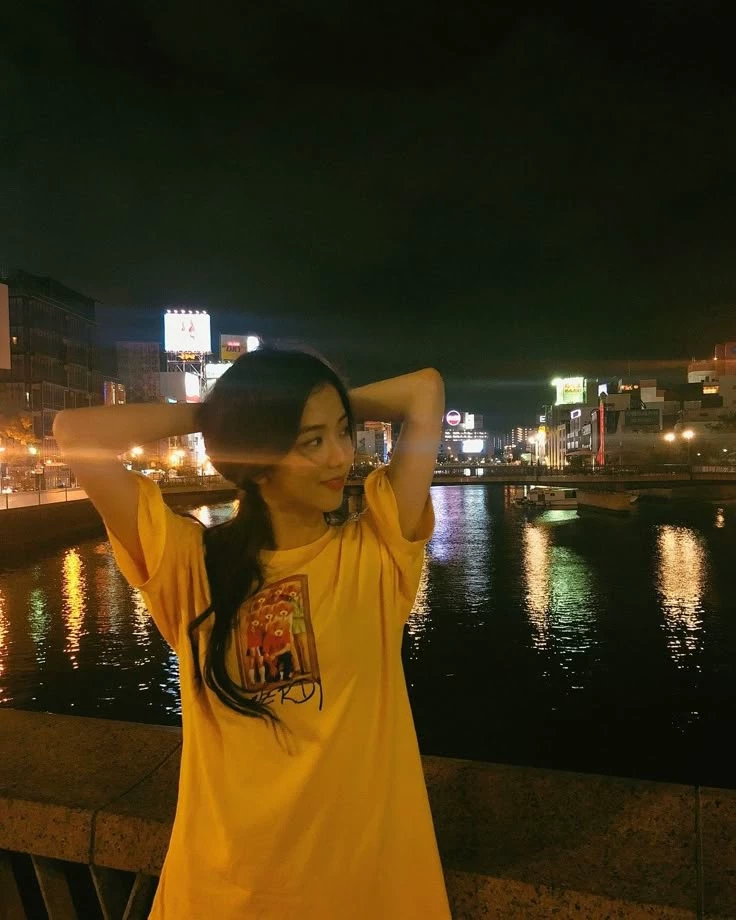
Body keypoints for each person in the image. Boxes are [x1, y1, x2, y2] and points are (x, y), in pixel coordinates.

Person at [54, 349, 450, 919]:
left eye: (343, 431)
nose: (341, 456)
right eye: (312, 441)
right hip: (220, 898)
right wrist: (230, 414)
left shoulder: (377, 553)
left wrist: (291, 405)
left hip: (368, 895)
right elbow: (76, 432)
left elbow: (425, 390)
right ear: (258, 460)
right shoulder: (190, 567)